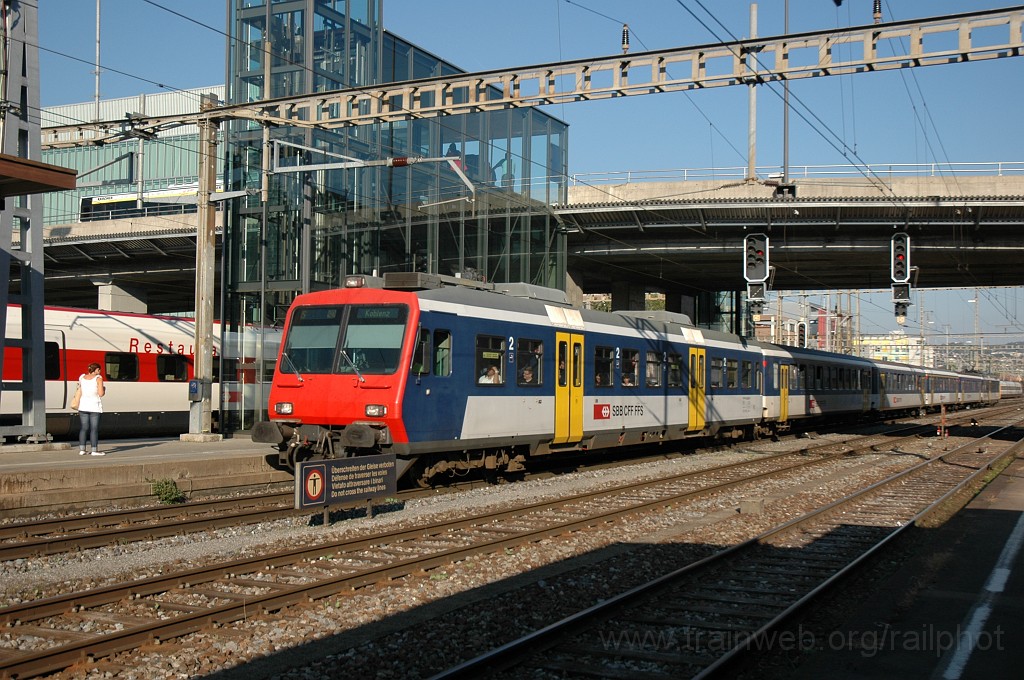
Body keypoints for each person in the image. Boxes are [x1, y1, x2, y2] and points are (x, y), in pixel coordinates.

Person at [77, 362, 106, 456]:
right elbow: (101, 393)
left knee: (84, 428)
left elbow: (80, 388)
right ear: (96, 369)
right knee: (94, 429)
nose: (100, 371)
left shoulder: (82, 377)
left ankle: (82, 450)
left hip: (83, 406)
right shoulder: (99, 379)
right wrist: (104, 389)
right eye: (99, 369)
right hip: (94, 406)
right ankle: (94, 450)